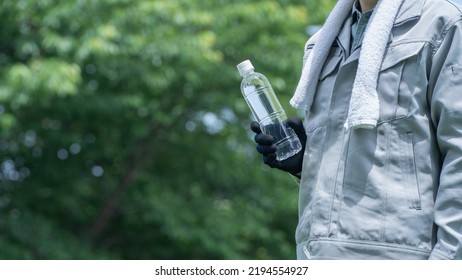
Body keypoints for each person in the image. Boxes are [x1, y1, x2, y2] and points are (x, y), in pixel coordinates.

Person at [250, 0, 462, 259]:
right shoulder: (321, 45)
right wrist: (305, 165)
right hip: (317, 254)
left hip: (399, 258)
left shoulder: (443, 22)